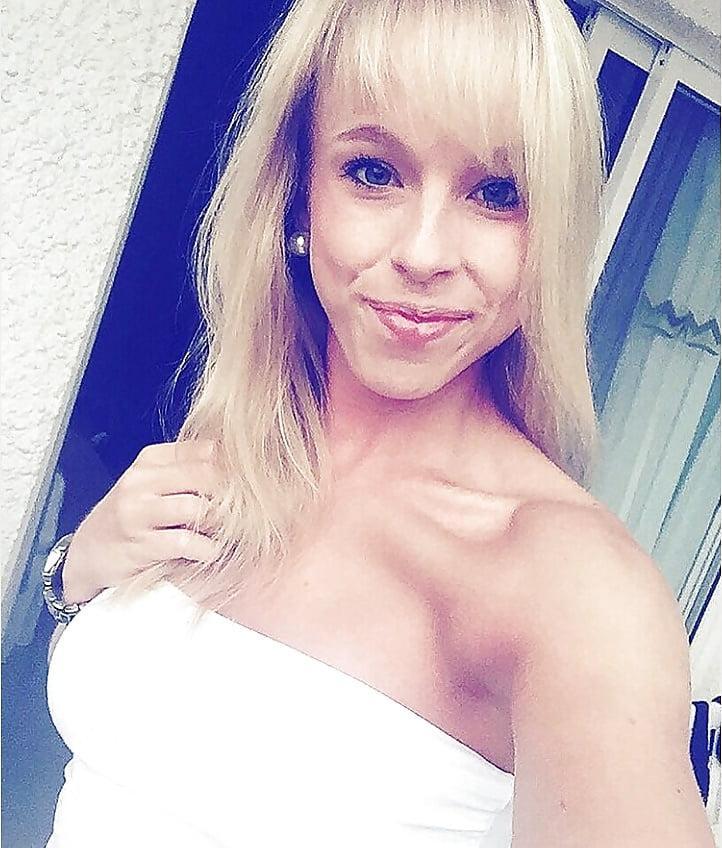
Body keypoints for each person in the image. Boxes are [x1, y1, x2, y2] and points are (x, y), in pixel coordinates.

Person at [44, 0, 714, 845]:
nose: (424, 254)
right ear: (298, 195)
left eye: (497, 193)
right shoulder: (239, 445)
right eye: (372, 172)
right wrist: (74, 575)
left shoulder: (573, 590)